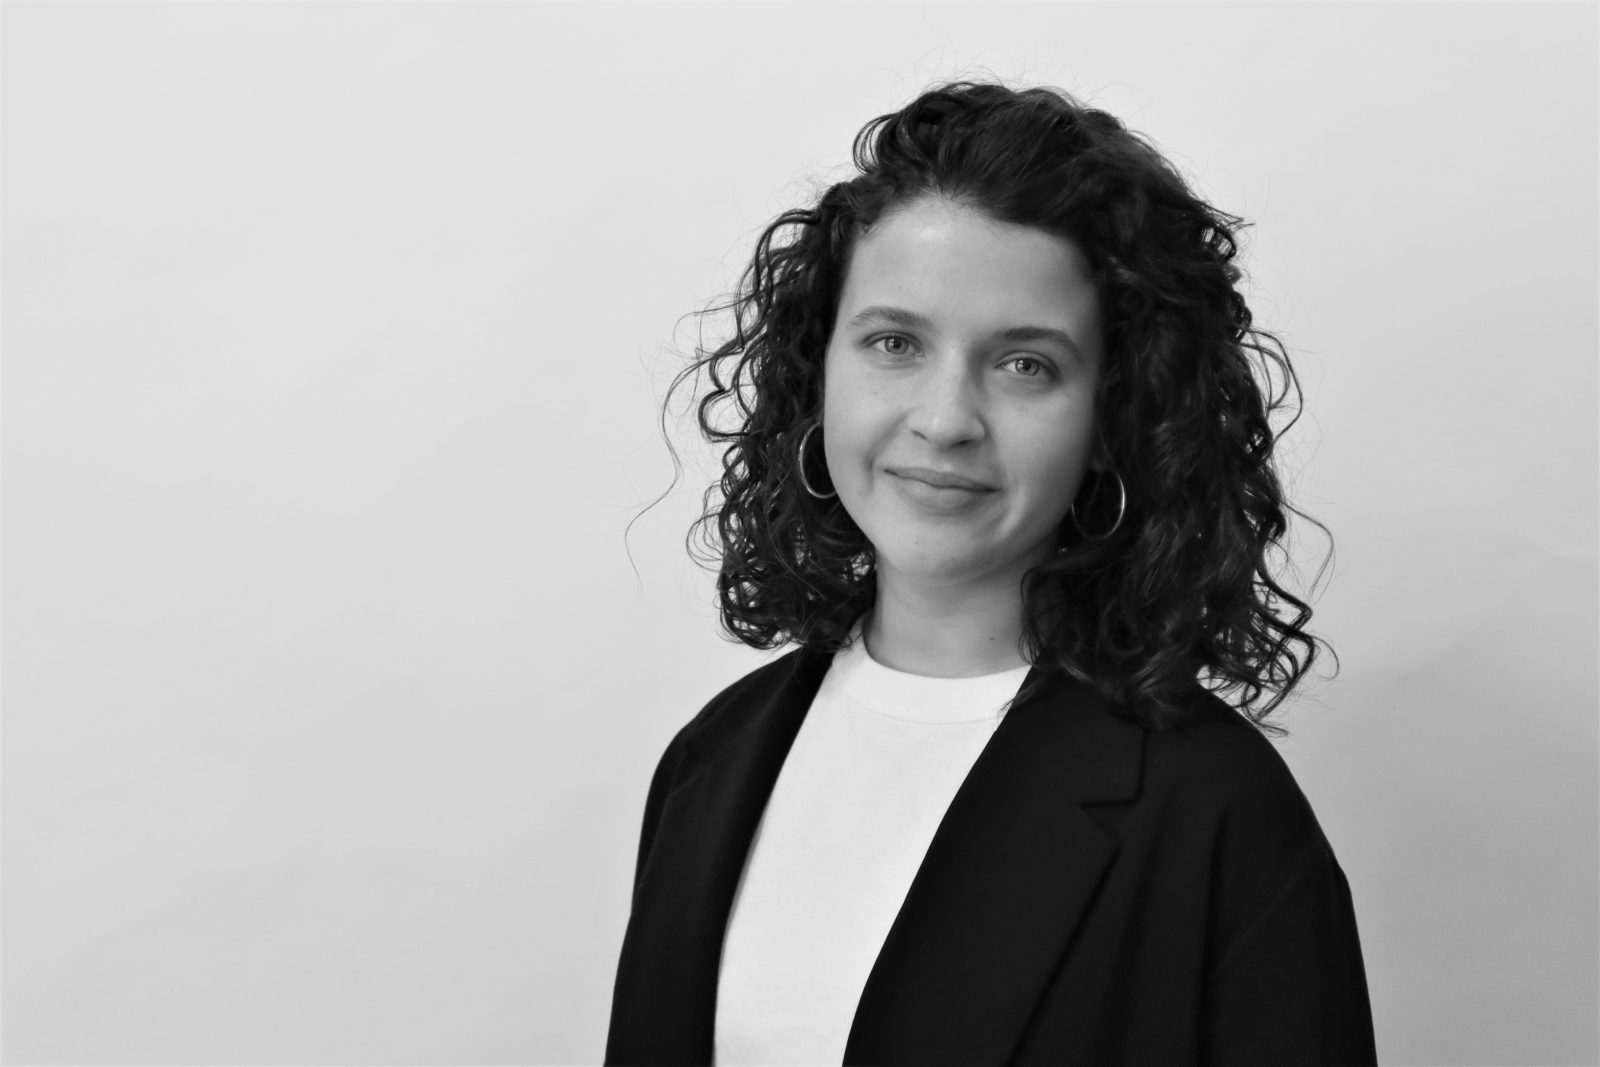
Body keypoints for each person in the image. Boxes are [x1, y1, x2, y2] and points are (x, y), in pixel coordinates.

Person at [606, 80, 1377, 1066]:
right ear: (818, 372)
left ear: (1114, 416)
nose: (944, 419)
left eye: (1025, 365)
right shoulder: (710, 758)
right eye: (894, 342)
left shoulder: (1218, 812)